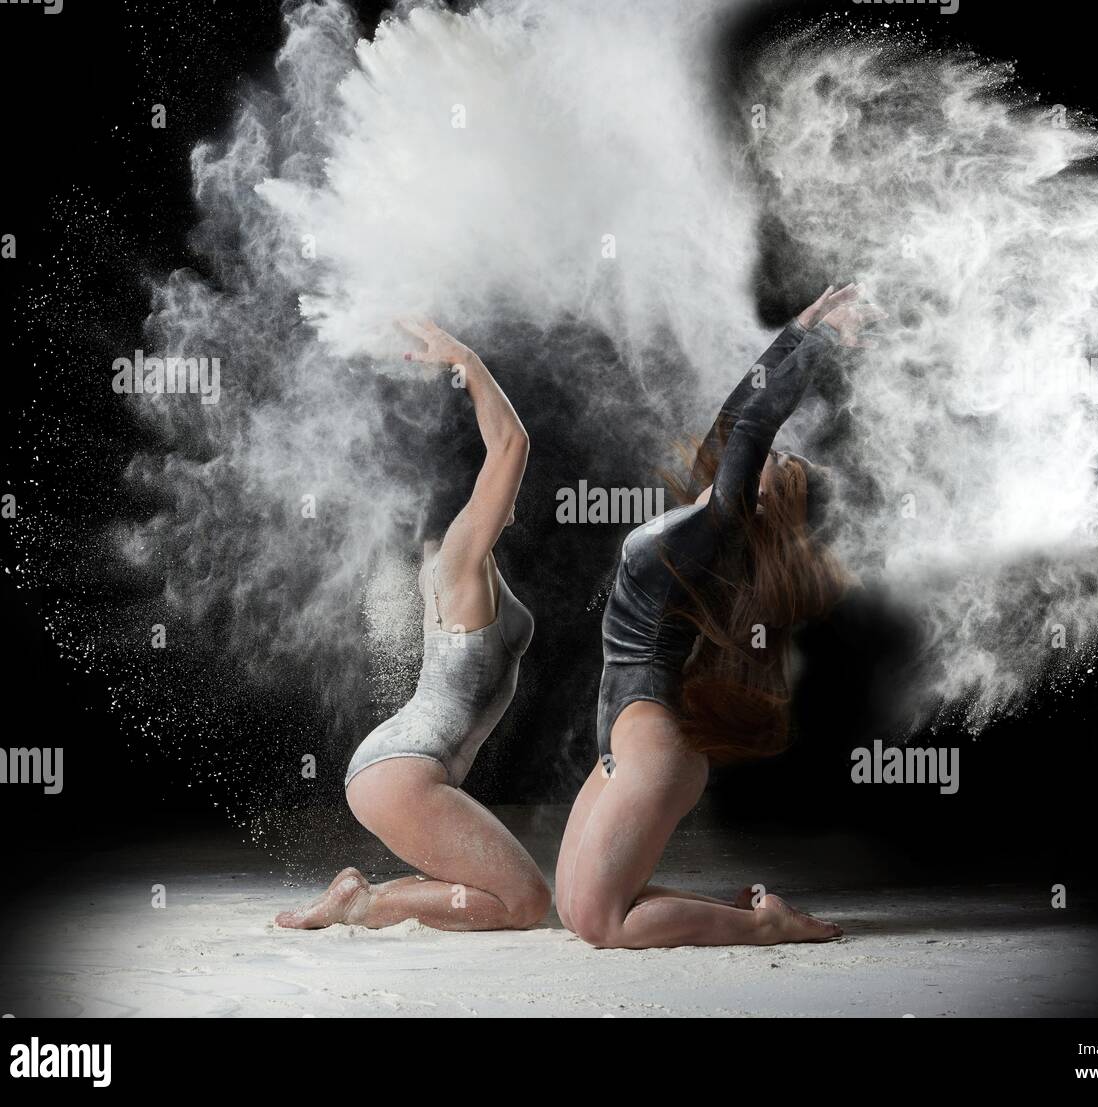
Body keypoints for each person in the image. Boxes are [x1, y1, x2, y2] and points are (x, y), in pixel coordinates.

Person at [556, 284, 884, 948]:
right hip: (623, 740)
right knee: (573, 907)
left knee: (600, 922)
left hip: (656, 746)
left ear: (753, 501)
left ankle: (764, 922)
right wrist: (801, 325)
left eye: (757, 469)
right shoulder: (704, 515)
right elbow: (741, 419)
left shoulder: (719, 524)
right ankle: (741, 910)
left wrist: (822, 343)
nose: (744, 460)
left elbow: (757, 425)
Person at [276, 319, 549, 932]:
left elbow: (500, 456)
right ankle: (364, 906)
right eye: (496, 493)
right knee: (524, 903)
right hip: (402, 772)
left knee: (486, 887)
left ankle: (355, 891)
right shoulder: (457, 559)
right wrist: (466, 359)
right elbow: (510, 445)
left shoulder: (453, 561)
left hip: (401, 765)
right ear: (474, 497)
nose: (510, 499)